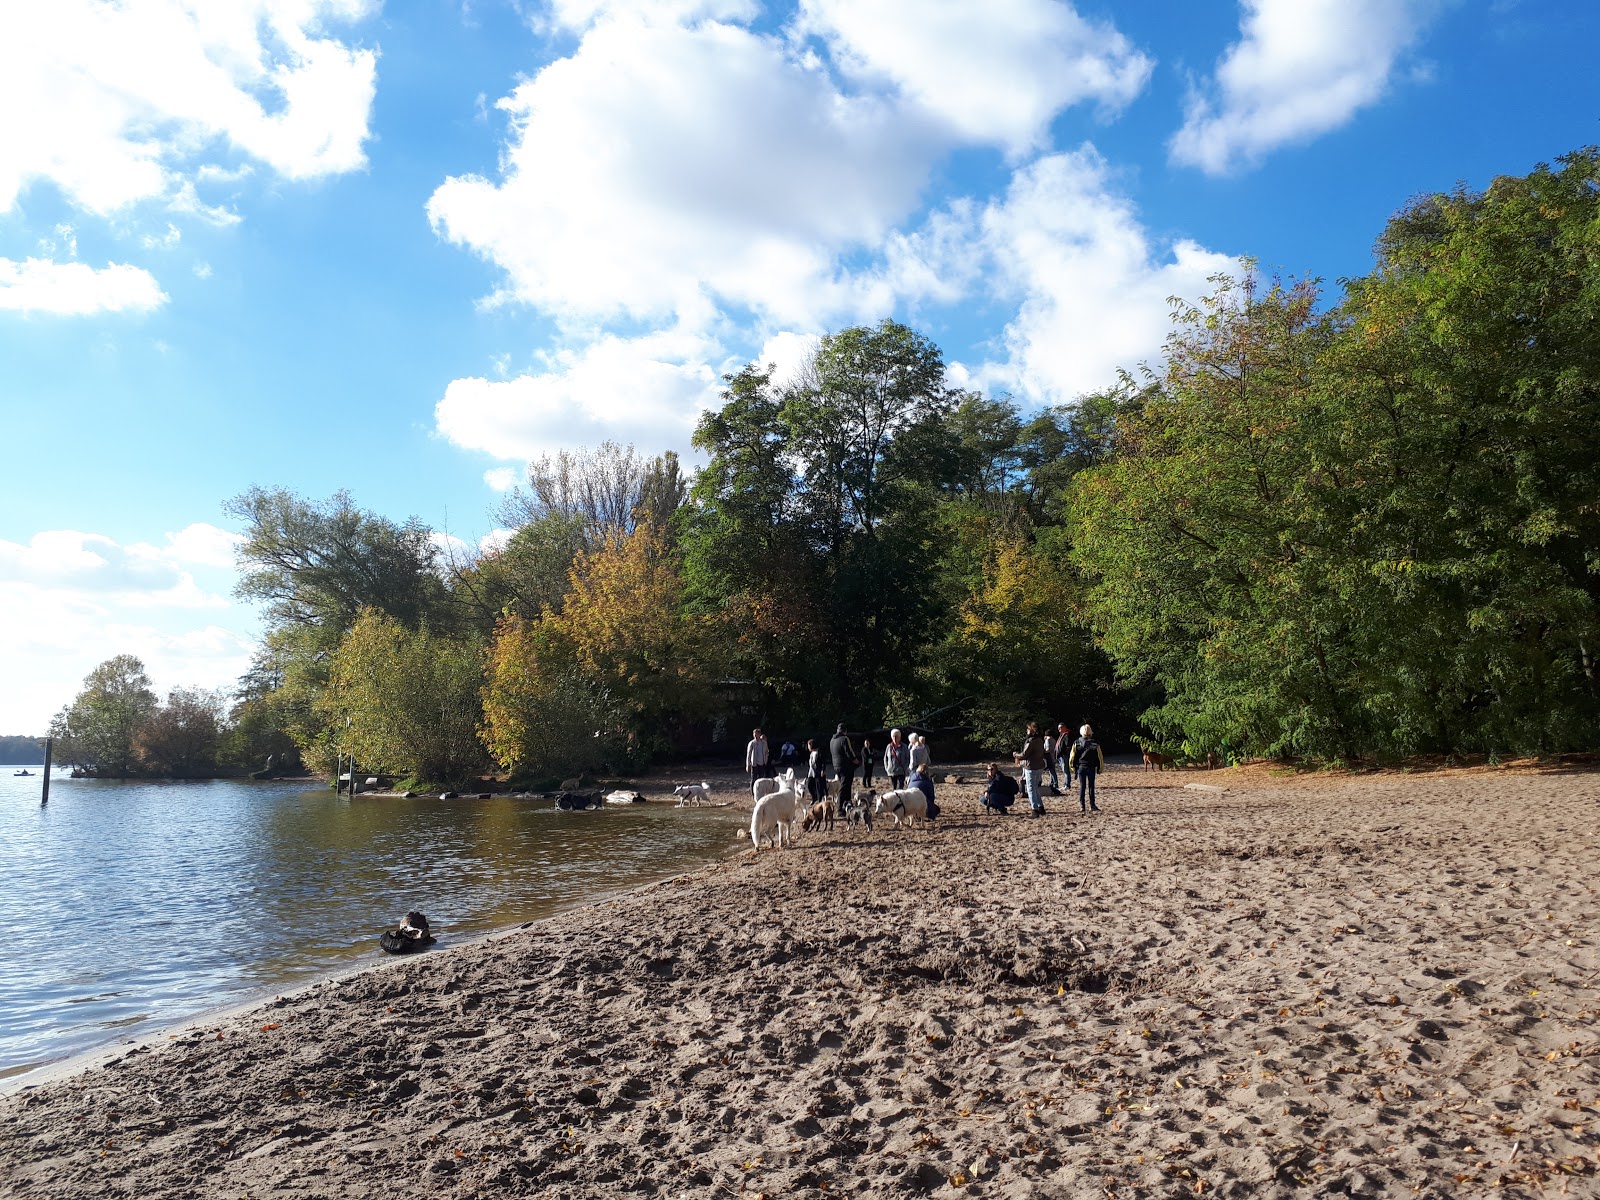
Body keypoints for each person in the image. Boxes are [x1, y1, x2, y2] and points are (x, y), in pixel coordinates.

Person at [1013, 721, 1048, 817]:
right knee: (1035, 787)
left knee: (1030, 789)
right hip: (1039, 766)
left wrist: (1016, 755)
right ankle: (1041, 807)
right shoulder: (1040, 740)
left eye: (1028, 729)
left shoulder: (1031, 741)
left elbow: (1024, 754)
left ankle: (1034, 809)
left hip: (1031, 766)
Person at [1069, 723, 1104, 814]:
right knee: (1091, 786)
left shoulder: (1076, 743)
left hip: (1081, 767)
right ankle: (1092, 805)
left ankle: (1082, 806)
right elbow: (1100, 757)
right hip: (1091, 767)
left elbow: (1072, 756)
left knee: (1082, 786)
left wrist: (1072, 767)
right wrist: (1100, 768)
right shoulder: (1095, 744)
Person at [829, 723, 858, 815]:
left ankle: (847, 804)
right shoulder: (844, 739)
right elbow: (849, 751)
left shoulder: (832, 740)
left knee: (845, 785)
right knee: (845, 786)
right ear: (845, 731)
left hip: (836, 766)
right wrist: (855, 760)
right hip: (845, 766)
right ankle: (840, 808)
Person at [805, 737, 827, 806]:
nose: (808, 747)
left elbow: (823, 762)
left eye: (808, 745)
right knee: (809, 785)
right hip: (811, 772)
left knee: (819, 787)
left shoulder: (819, 753)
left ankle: (820, 801)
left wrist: (823, 770)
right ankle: (814, 797)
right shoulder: (811, 753)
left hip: (818, 772)